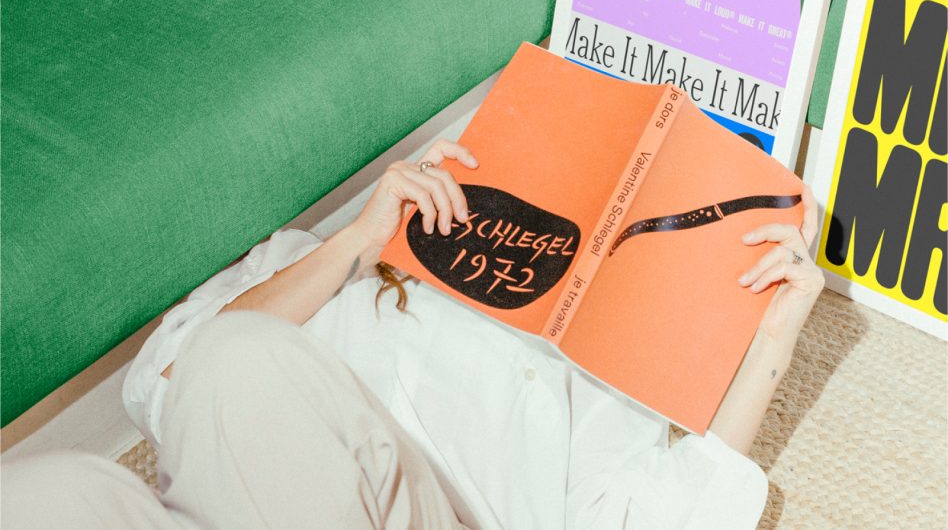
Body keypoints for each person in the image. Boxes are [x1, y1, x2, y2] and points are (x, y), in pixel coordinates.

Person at [2, 140, 824, 529]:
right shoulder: (315, 260)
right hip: (211, 510)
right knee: (42, 495)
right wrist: (355, 245)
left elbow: (661, 521)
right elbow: (161, 383)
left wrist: (770, 349)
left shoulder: (580, 360)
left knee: (240, 357)